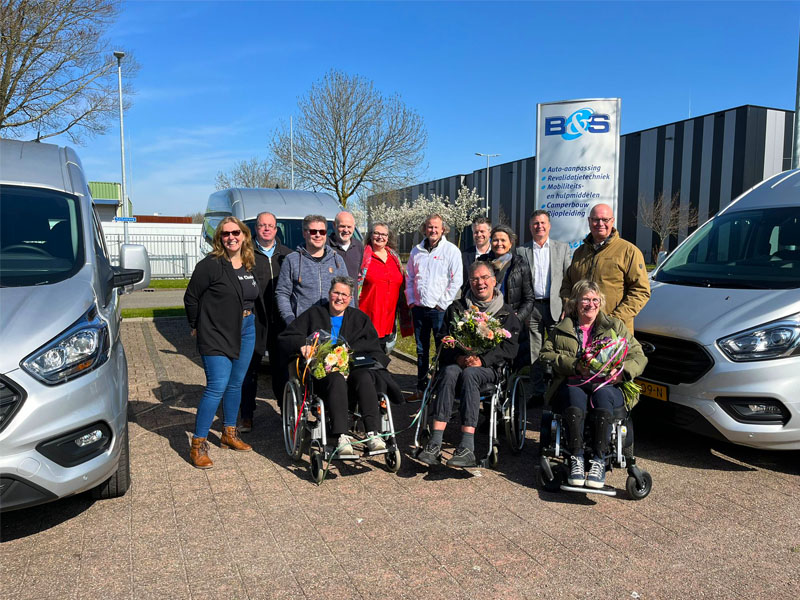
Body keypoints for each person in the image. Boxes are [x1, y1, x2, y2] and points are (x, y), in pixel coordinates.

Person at [540, 280, 647, 488]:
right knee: (575, 396)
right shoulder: (563, 329)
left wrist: (622, 372)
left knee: (602, 396)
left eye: (595, 299)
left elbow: (638, 356)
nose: (590, 304)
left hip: (608, 385)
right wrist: (574, 365)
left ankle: (599, 459)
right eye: (585, 299)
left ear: (601, 302)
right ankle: (576, 458)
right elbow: (545, 355)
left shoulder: (614, 327)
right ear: (575, 302)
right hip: (573, 381)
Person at [279, 277, 400, 455]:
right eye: (336, 292)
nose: (339, 298)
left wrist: (350, 354)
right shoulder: (314, 314)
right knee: (336, 378)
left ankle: (373, 433)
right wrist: (302, 345)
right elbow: (287, 337)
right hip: (323, 379)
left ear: (350, 298)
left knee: (365, 376)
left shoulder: (359, 319)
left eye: (344, 294)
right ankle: (341, 436)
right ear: (329, 294)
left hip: (354, 374)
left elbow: (374, 346)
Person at [417, 261, 521, 468]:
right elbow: (443, 340)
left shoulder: (506, 314)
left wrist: (482, 360)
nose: (479, 283)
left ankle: (467, 447)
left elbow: (510, 350)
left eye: (484, 278)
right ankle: (435, 442)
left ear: (493, 281)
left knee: (470, 375)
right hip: (459, 362)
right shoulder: (457, 309)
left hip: (488, 369)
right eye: (474, 279)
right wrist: (459, 357)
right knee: (449, 372)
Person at [184, 217, 269, 469]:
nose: (231, 237)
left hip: (246, 329)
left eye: (236, 232)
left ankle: (228, 434)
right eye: (225, 234)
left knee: (236, 384)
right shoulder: (210, 265)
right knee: (217, 385)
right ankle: (198, 444)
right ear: (219, 238)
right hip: (216, 332)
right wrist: (196, 326)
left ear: (244, 235)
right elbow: (191, 298)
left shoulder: (248, 263)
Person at [560, 203, 650, 333]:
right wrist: (570, 307)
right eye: (596, 219)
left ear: (612, 221)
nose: (600, 223)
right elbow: (567, 284)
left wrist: (614, 319)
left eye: (605, 219)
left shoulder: (629, 251)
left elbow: (640, 291)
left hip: (615, 330)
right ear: (589, 221)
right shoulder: (580, 252)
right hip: (581, 327)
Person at [239, 211, 292, 432]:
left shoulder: (287, 256)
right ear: (256, 229)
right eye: (262, 225)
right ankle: (247, 415)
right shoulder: (245, 255)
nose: (267, 229)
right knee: (249, 370)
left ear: (276, 229)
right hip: (255, 322)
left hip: (280, 323)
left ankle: (285, 411)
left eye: (270, 225)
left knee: (282, 370)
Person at [405, 213, 463, 400]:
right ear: (425, 229)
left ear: (443, 229)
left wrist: (442, 304)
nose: (433, 230)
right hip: (419, 309)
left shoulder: (451, 251)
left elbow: (456, 281)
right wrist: (412, 300)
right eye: (430, 227)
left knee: (442, 350)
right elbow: (410, 278)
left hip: (440, 310)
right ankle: (421, 387)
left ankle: (441, 389)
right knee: (421, 350)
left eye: (436, 227)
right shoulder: (416, 251)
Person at [516, 210, 571, 402]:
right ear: (530, 227)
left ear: (549, 225)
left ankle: (557, 391)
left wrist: (567, 306)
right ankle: (538, 392)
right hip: (533, 308)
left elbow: (568, 279)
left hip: (556, 307)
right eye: (535, 224)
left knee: (559, 349)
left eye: (542, 223)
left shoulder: (562, 248)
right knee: (535, 351)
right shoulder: (522, 251)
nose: (539, 226)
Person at [275, 214, 350, 326]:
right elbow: (282, 293)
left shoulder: (337, 260)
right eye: (313, 231)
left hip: (333, 323)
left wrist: (349, 319)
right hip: (303, 324)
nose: (318, 235)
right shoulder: (292, 260)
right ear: (305, 233)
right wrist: (290, 319)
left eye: (322, 232)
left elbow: (347, 292)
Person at [357, 222, 413, 351]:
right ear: (370, 235)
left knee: (382, 359)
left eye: (384, 234)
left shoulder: (394, 258)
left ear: (388, 237)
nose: (380, 237)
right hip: (368, 319)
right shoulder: (363, 257)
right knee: (366, 360)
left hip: (388, 320)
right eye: (376, 233)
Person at [484, 224, 534, 328]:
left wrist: (517, 318)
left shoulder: (520, 265)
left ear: (510, 243)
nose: (499, 244)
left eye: (503, 240)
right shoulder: (482, 263)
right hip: (485, 319)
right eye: (495, 240)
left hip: (511, 321)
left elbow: (529, 298)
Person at [328, 210, 364, 281]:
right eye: (342, 226)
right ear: (334, 225)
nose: (346, 230)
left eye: (349, 227)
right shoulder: (325, 246)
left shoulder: (359, 246)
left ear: (354, 227)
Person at [460, 216, 492, 288]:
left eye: (482, 231)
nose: (479, 235)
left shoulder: (496, 254)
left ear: (490, 233)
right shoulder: (464, 256)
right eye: (476, 232)